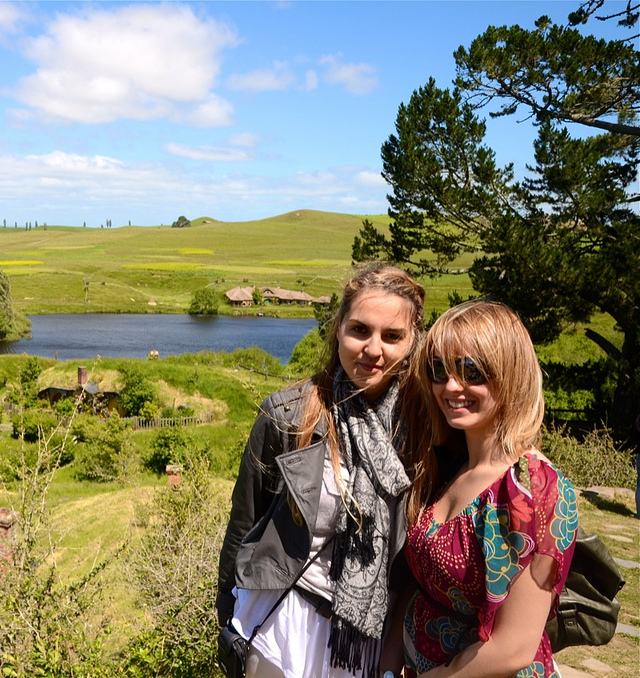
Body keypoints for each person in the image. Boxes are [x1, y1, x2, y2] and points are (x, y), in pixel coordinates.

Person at [217, 264, 426, 678]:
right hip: (282, 624)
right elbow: (243, 526)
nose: (373, 349)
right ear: (338, 331)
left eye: (392, 336)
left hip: (367, 640)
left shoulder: (422, 432)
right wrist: (226, 621)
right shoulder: (289, 415)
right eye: (360, 330)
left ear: (412, 341)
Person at [402, 300, 579, 677]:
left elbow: (514, 648)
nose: (451, 386)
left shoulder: (535, 489)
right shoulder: (447, 464)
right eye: (439, 369)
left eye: (471, 370)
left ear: (510, 373)